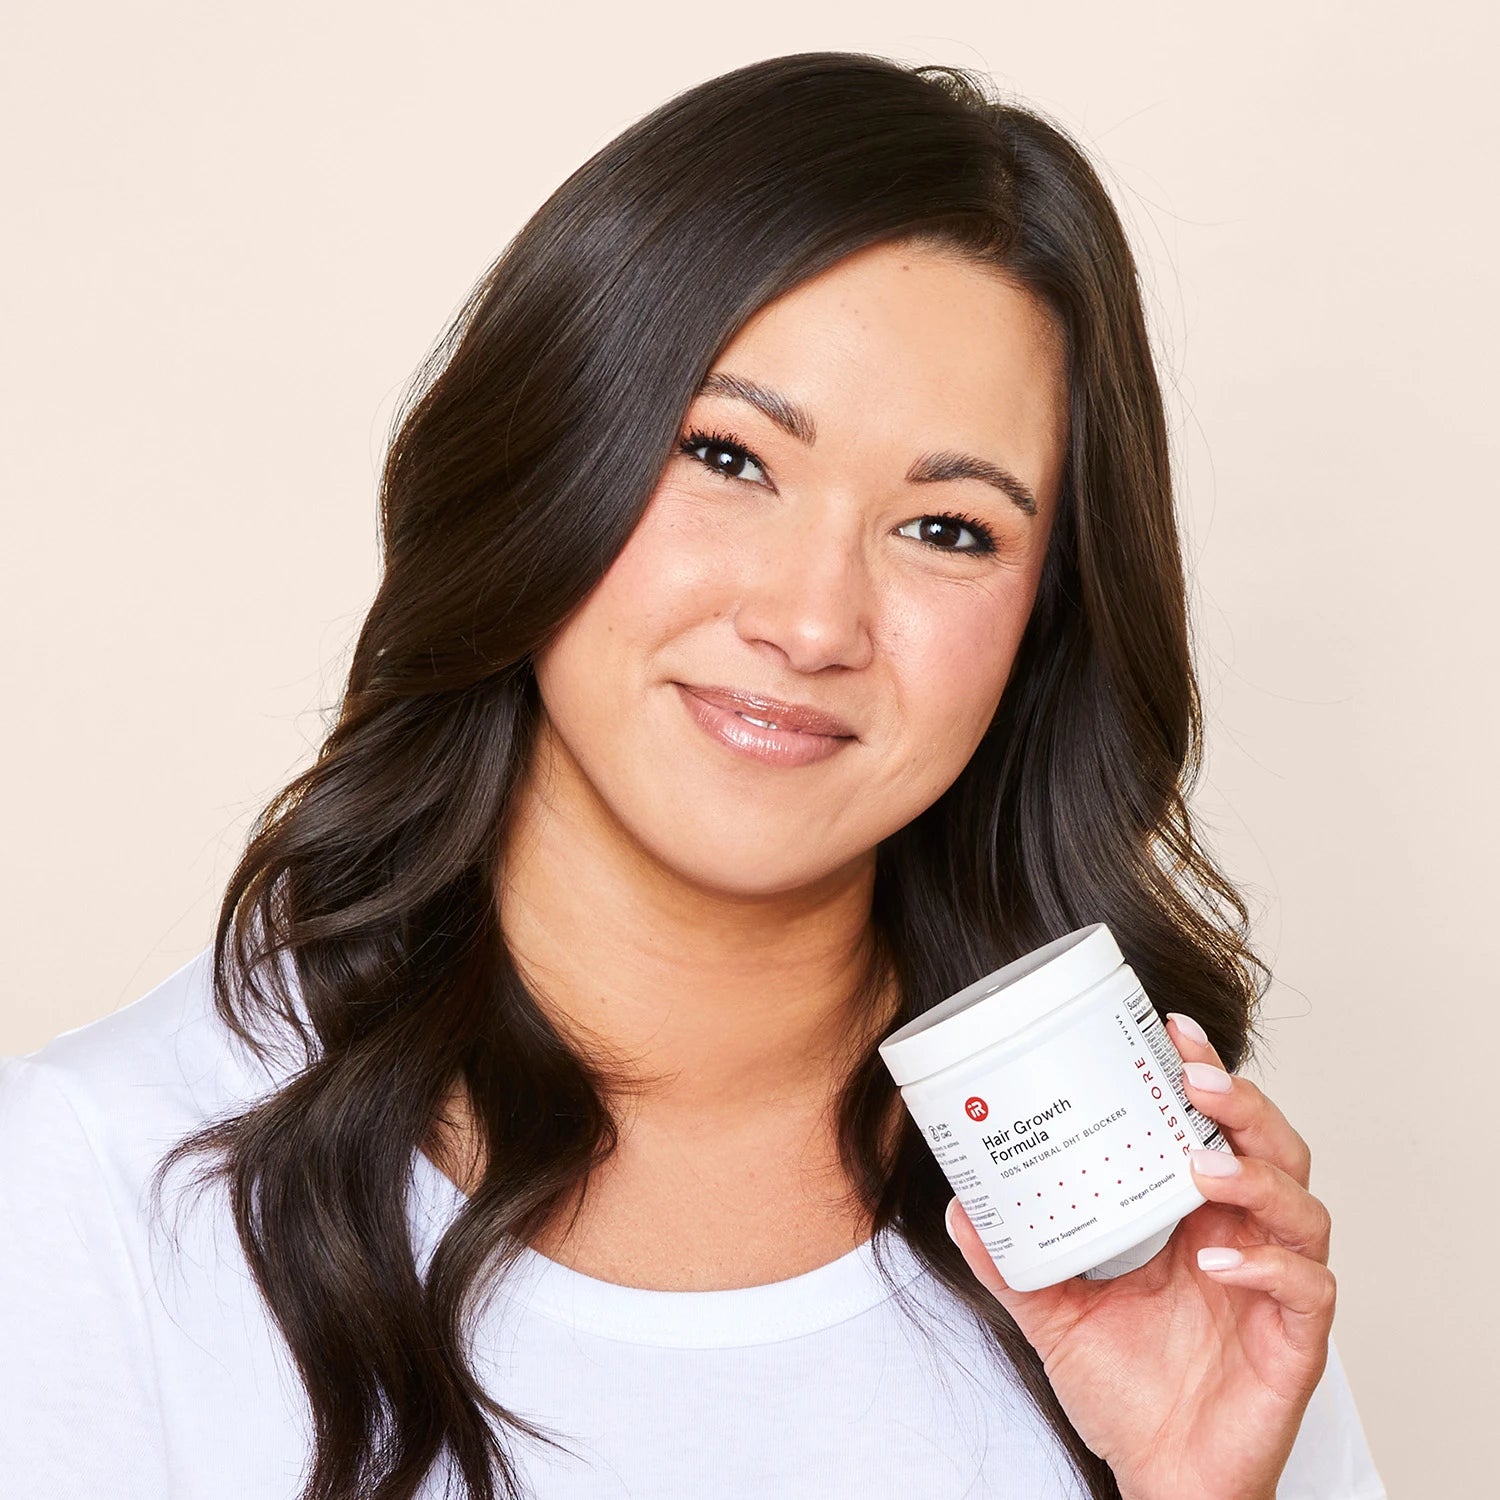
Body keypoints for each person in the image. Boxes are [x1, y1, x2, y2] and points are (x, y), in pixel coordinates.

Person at [0, 51, 1387, 1500]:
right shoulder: (94, 1185)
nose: (809, 622)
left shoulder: (1137, 1216)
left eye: (949, 530)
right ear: (548, 459)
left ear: (1043, 622)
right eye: (727, 455)